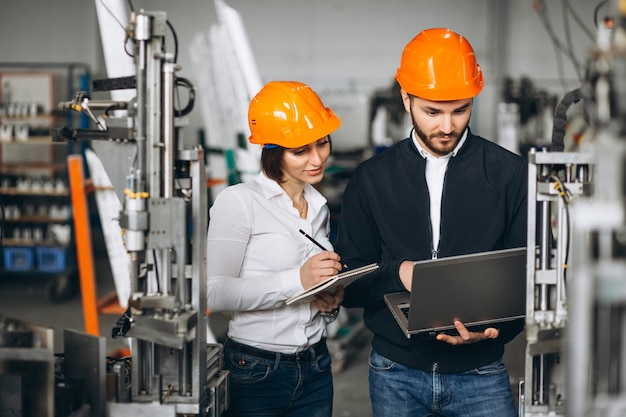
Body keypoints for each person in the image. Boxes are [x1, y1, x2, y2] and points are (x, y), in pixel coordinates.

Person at [334, 28, 527, 417]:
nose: (447, 126)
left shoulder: (510, 174)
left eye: (460, 110)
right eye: (432, 111)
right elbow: (350, 284)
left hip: (482, 371)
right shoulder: (372, 178)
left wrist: (497, 331)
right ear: (405, 98)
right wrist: (398, 273)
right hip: (395, 373)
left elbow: (526, 274)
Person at [206, 81, 345, 417]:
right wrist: (298, 280)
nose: (317, 159)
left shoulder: (318, 206)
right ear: (272, 151)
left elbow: (309, 288)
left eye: (322, 143)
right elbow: (213, 293)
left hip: (316, 365)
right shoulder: (239, 202)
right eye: (300, 151)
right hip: (255, 369)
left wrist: (326, 300)